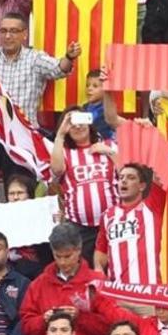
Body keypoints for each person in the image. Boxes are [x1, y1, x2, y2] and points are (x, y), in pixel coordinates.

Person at [0, 14, 80, 215]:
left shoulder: (35, 58)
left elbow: (60, 69)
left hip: (22, 137)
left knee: (21, 195)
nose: (8, 36)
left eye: (14, 31)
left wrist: (69, 57)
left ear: (24, 34)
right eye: (3, 31)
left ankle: (23, 245)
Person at [20, 223, 123, 335]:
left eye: (68, 256)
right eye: (58, 256)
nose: (63, 262)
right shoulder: (38, 284)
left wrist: (81, 317)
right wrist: (44, 319)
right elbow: (27, 329)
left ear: (79, 250)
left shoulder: (97, 282)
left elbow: (111, 326)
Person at [51, 109, 118, 264]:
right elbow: (57, 169)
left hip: (112, 223)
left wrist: (110, 152)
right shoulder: (64, 152)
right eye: (72, 123)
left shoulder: (109, 145)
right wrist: (60, 135)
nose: (78, 126)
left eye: (81, 120)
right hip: (79, 228)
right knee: (82, 272)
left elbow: (127, 173)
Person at [95, 163, 165, 285]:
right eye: (121, 177)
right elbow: (101, 251)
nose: (124, 181)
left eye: (131, 178)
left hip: (150, 293)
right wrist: (98, 268)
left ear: (142, 186)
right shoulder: (107, 215)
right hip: (119, 294)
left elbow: (158, 176)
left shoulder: (153, 206)